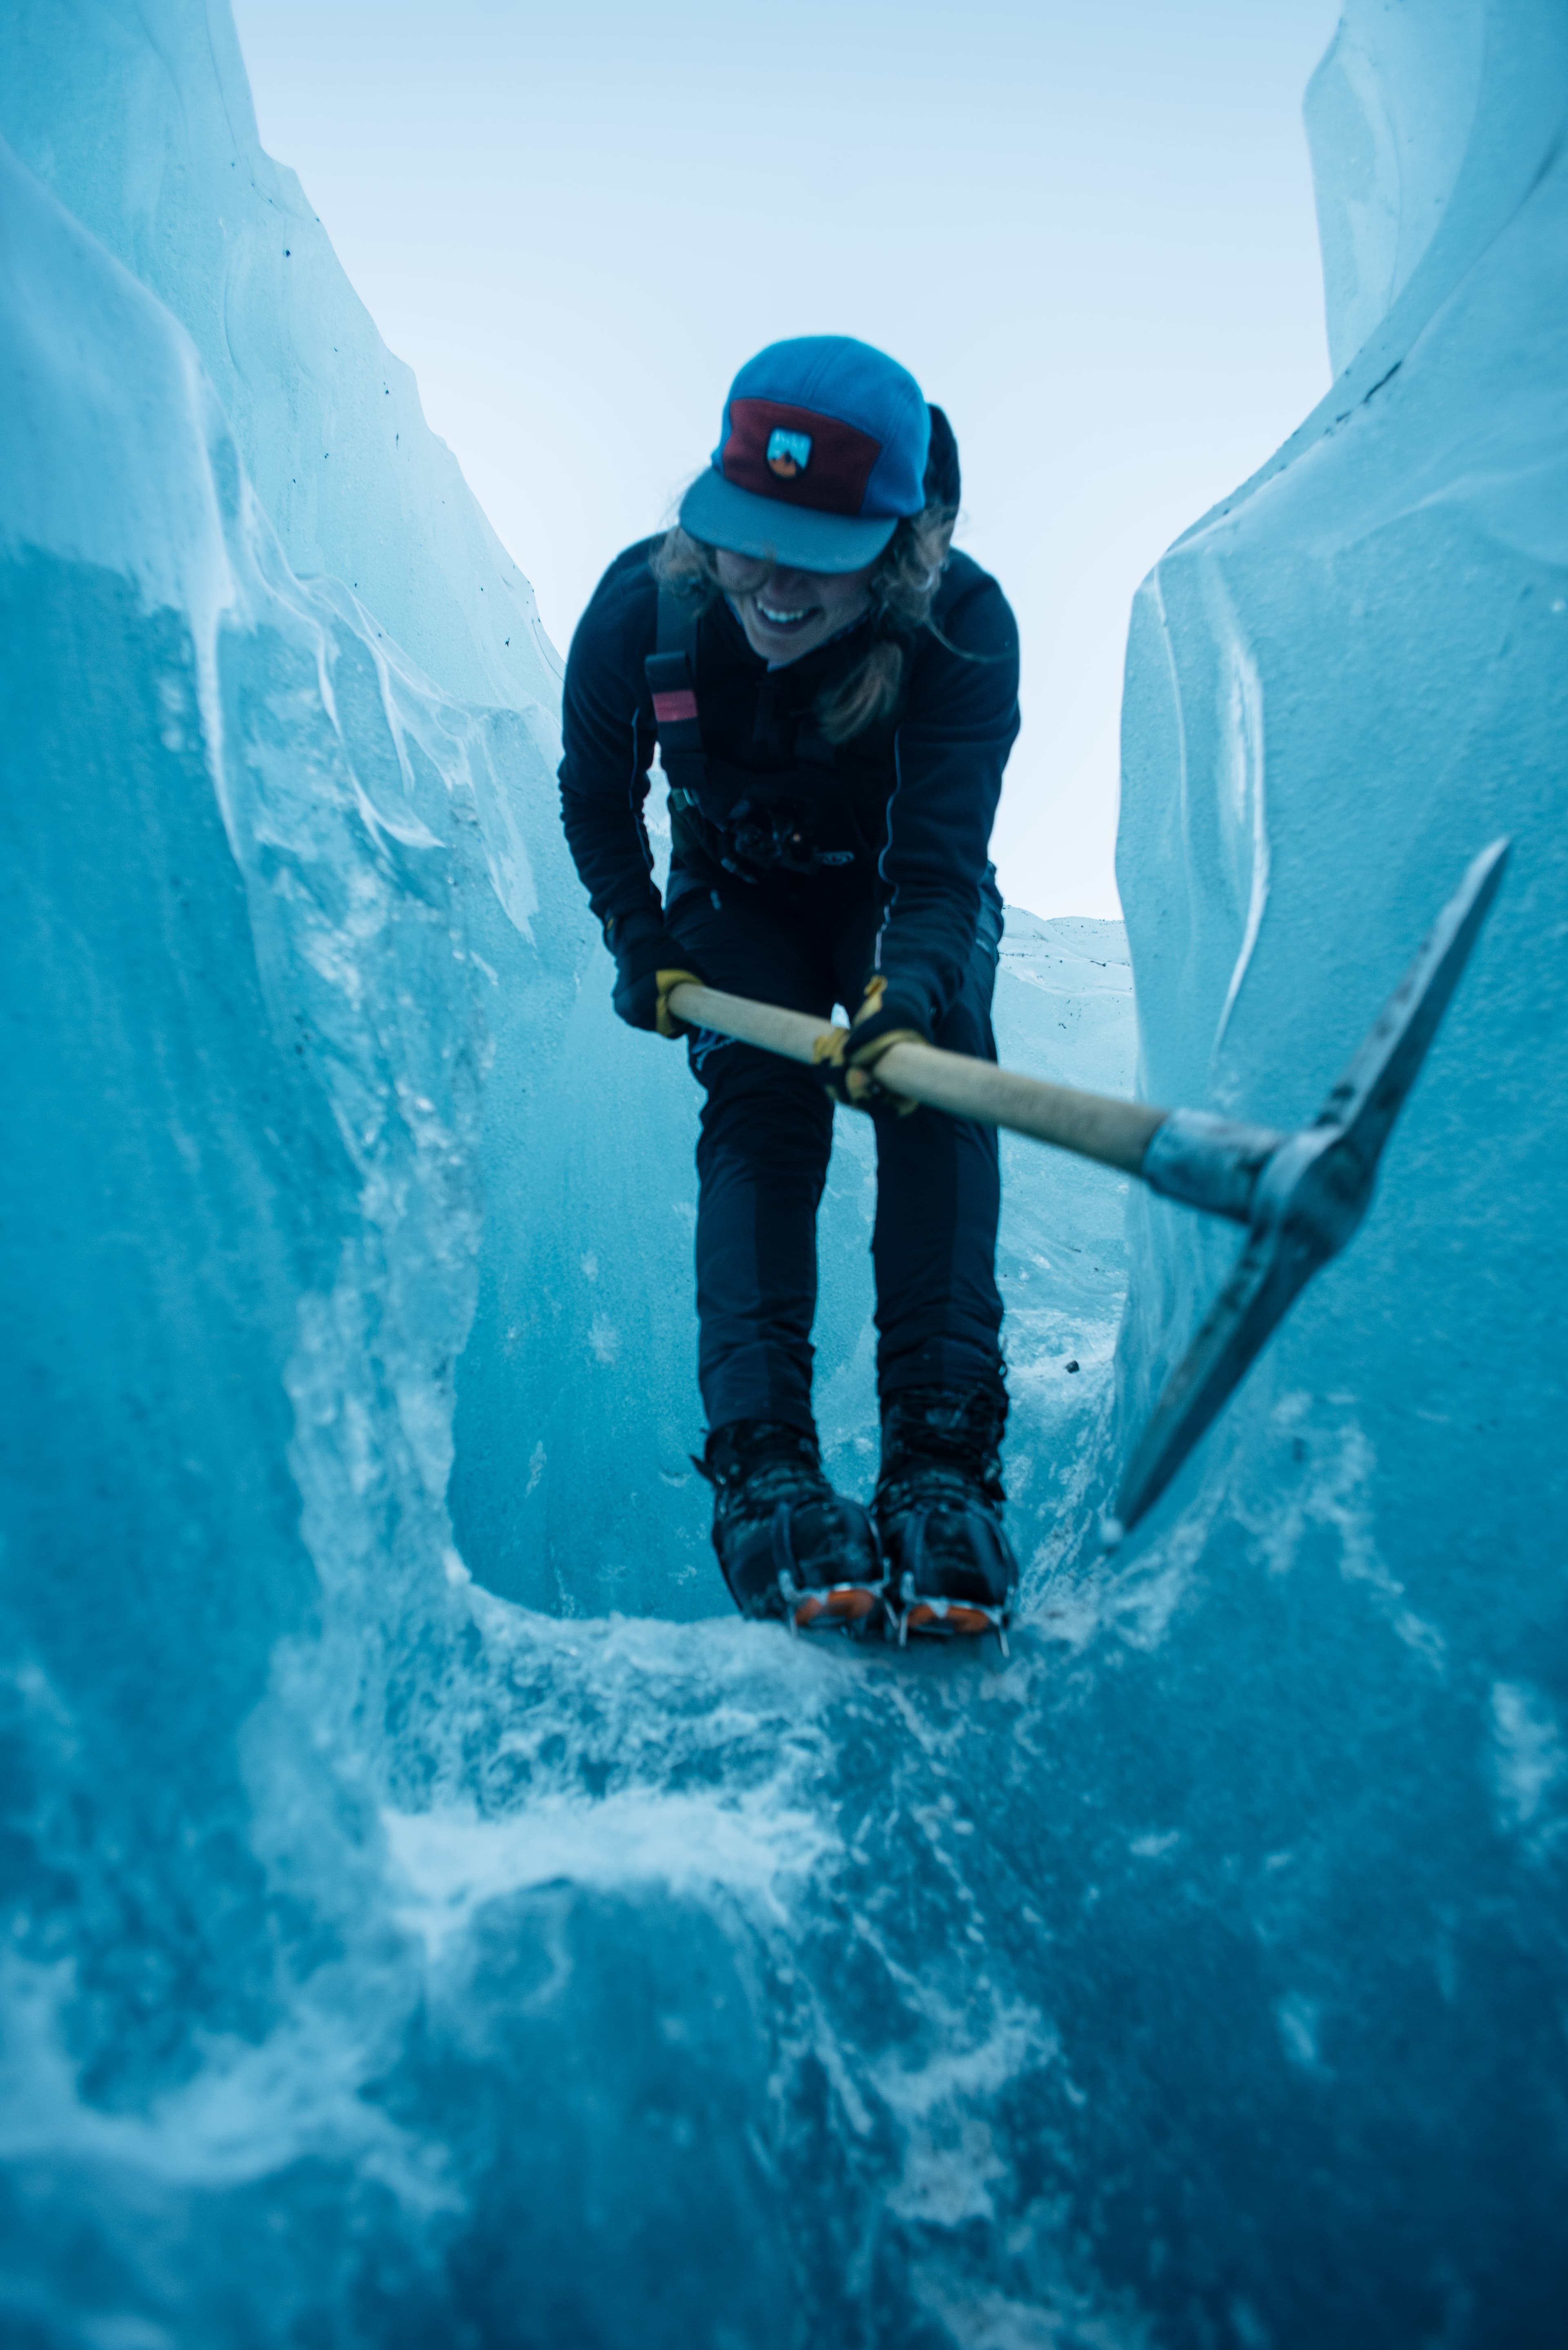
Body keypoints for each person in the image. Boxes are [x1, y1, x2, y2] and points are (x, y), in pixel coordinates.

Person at [559, 335, 1021, 1642]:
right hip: (738, 892)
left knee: (937, 1081)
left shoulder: (964, 627)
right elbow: (597, 797)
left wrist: (907, 995)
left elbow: (940, 870)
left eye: (815, 555)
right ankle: (765, 1471)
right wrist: (637, 935)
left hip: (897, 891)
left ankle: (941, 1464)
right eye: (750, 540)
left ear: (899, 552)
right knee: (762, 1109)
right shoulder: (641, 610)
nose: (770, 584)